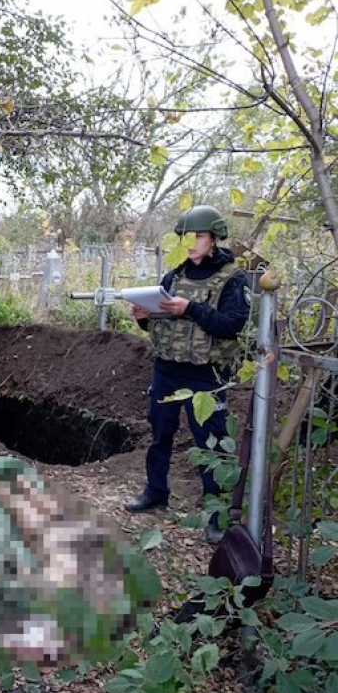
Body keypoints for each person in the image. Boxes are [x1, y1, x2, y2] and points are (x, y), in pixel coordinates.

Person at [125, 205, 250, 544]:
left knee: (210, 444)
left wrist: (190, 308)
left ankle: (215, 516)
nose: (191, 242)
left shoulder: (232, 278)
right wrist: (142, 316)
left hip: (206, 375)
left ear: (214, 238)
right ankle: (155, 492)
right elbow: (158, 324)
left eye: (198, 236)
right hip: (166, 369)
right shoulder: (174, 276)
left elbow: (231, 326)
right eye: (186, 236)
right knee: (159, 435)